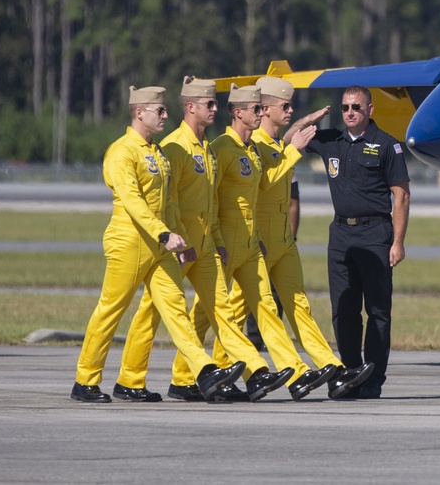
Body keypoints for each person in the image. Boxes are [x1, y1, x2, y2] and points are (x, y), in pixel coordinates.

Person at [115, 77, 294, 403]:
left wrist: (216, 239)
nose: (215, 109)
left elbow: (213, 203)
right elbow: (167, 200)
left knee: (221, 309)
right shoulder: (173, 147)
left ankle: (254, 371)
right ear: (191, 107)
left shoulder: (207, 150)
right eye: (209, 104)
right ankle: (131, 379)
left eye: (215, 103)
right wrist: (175, 239)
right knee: (151, 314)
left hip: (207, 243)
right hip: (176, 244)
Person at [71, 85, 245, 403]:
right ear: (139, 113)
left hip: (161, 245)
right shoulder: (122, 151)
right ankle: (86, 379)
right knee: (111, 310)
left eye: (165, 110)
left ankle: (197, 370)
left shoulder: (158, 153)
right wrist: (164, 234)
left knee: (176, 310)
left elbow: (170, 204)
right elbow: (132, 199)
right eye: (159, 111)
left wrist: (178, 236)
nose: (166, 115)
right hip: (129, 241)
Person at [209, 83, 336, 400]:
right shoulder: (234, 147)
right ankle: (197, 374)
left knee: (274, 307)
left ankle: (305, 370)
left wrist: (300, 129)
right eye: (285, 106)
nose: (290, 110)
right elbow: (250, 190)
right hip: (239, 241)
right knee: (219, 314)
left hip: (265, 240)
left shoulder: (256, 147)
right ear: (258, 110)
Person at [253, 76, 375, 399]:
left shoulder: (278, 143)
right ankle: (188, 374)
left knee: (298, 305)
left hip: (282, 241)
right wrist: (292, 151)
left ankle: (331, 369)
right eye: (286, 106)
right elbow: (264, 184)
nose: (292, 110)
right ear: (265, 109)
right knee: (238, 313)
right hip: (257, 243)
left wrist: (306, 123)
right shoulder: (254, 145)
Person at [306, 86, 410, 399]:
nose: (350, 112)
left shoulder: (386, 145)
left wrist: (398, 242)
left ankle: (373, 378)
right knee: (343, 309)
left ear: (370, 110)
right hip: (340, 235)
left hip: (375, 234)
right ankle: (350, 373)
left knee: (377, 310)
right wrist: (314, 117)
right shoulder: (331, 141)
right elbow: (287, 138)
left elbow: (401, 195)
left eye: (356, 107)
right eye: (345, 108)